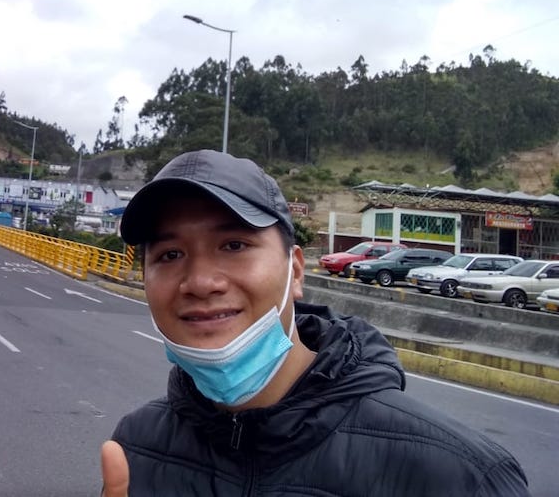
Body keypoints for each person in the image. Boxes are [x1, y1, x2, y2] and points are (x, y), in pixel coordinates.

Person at [100, 149, 530, 497]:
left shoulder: (462, 477)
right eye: (169, 255)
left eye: (234, 244)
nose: (199, 282)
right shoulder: (136, 448)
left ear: (297, 272)